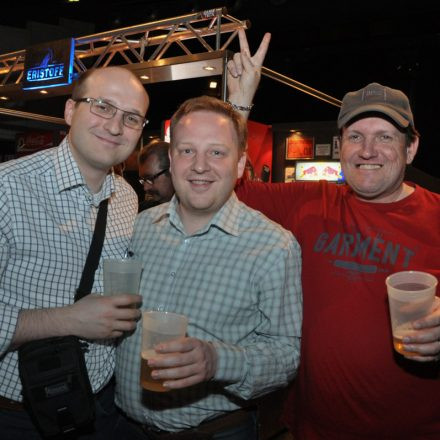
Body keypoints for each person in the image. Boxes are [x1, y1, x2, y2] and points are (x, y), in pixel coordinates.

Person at [228, 30, 440, 439]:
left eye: (385, 138)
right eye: (356, 137)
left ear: (411, 149)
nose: (368, 150)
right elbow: (228, 189)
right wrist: (239, 106)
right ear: (340, 146)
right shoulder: (312, 201)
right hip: (312, 428)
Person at [115, 95, 302, 439]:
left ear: (241, 163)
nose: (200, 165)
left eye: (217, 152)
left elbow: (286, 355)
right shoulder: (140, 227)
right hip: (120, 426)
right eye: (187, 151)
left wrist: (218, 361)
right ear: (171, 160)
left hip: (215, 432)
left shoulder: (273, 246)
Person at [0, 66, 148, 439]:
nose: (115, 127)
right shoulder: (7, 189)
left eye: (131, 118)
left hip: (101, 401)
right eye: (102, 107)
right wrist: (67, 320)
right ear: (69, 111)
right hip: (19, 414)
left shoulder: (127, 198)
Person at [137, 139, 174, 211]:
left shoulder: (194, 209)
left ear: (172, 172)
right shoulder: (143, 212)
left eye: (150, 178)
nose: (145, 188)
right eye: (143, 180)